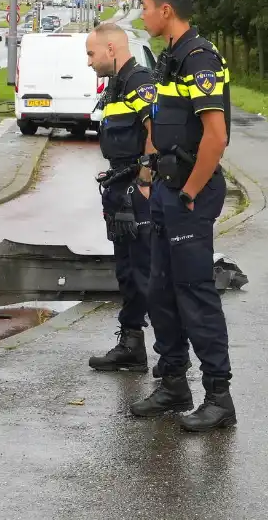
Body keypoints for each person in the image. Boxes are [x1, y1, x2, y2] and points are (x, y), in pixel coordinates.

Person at [130, 0, 237, 432]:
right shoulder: (168, 59)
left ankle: (219, 397)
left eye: (145, 6)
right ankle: (174, 382)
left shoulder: (199, 59)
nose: (141, 14)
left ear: (166, 11)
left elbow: (216, 137)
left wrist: (190, 191)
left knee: (195, 294)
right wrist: (149, 175)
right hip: (167, 191)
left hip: (191, 192)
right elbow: (162, 126)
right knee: (160, 290)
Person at [84, 23, 159, 373]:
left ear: (111, 48)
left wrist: (144, 179)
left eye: (91, 53)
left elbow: (155, 129)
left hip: (135, 189)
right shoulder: (116, 84)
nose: (88, 62)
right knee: (128, 272)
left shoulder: (139, 81)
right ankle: (131, 345)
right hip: (119, 186)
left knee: (144, 271)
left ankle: (171, 356)